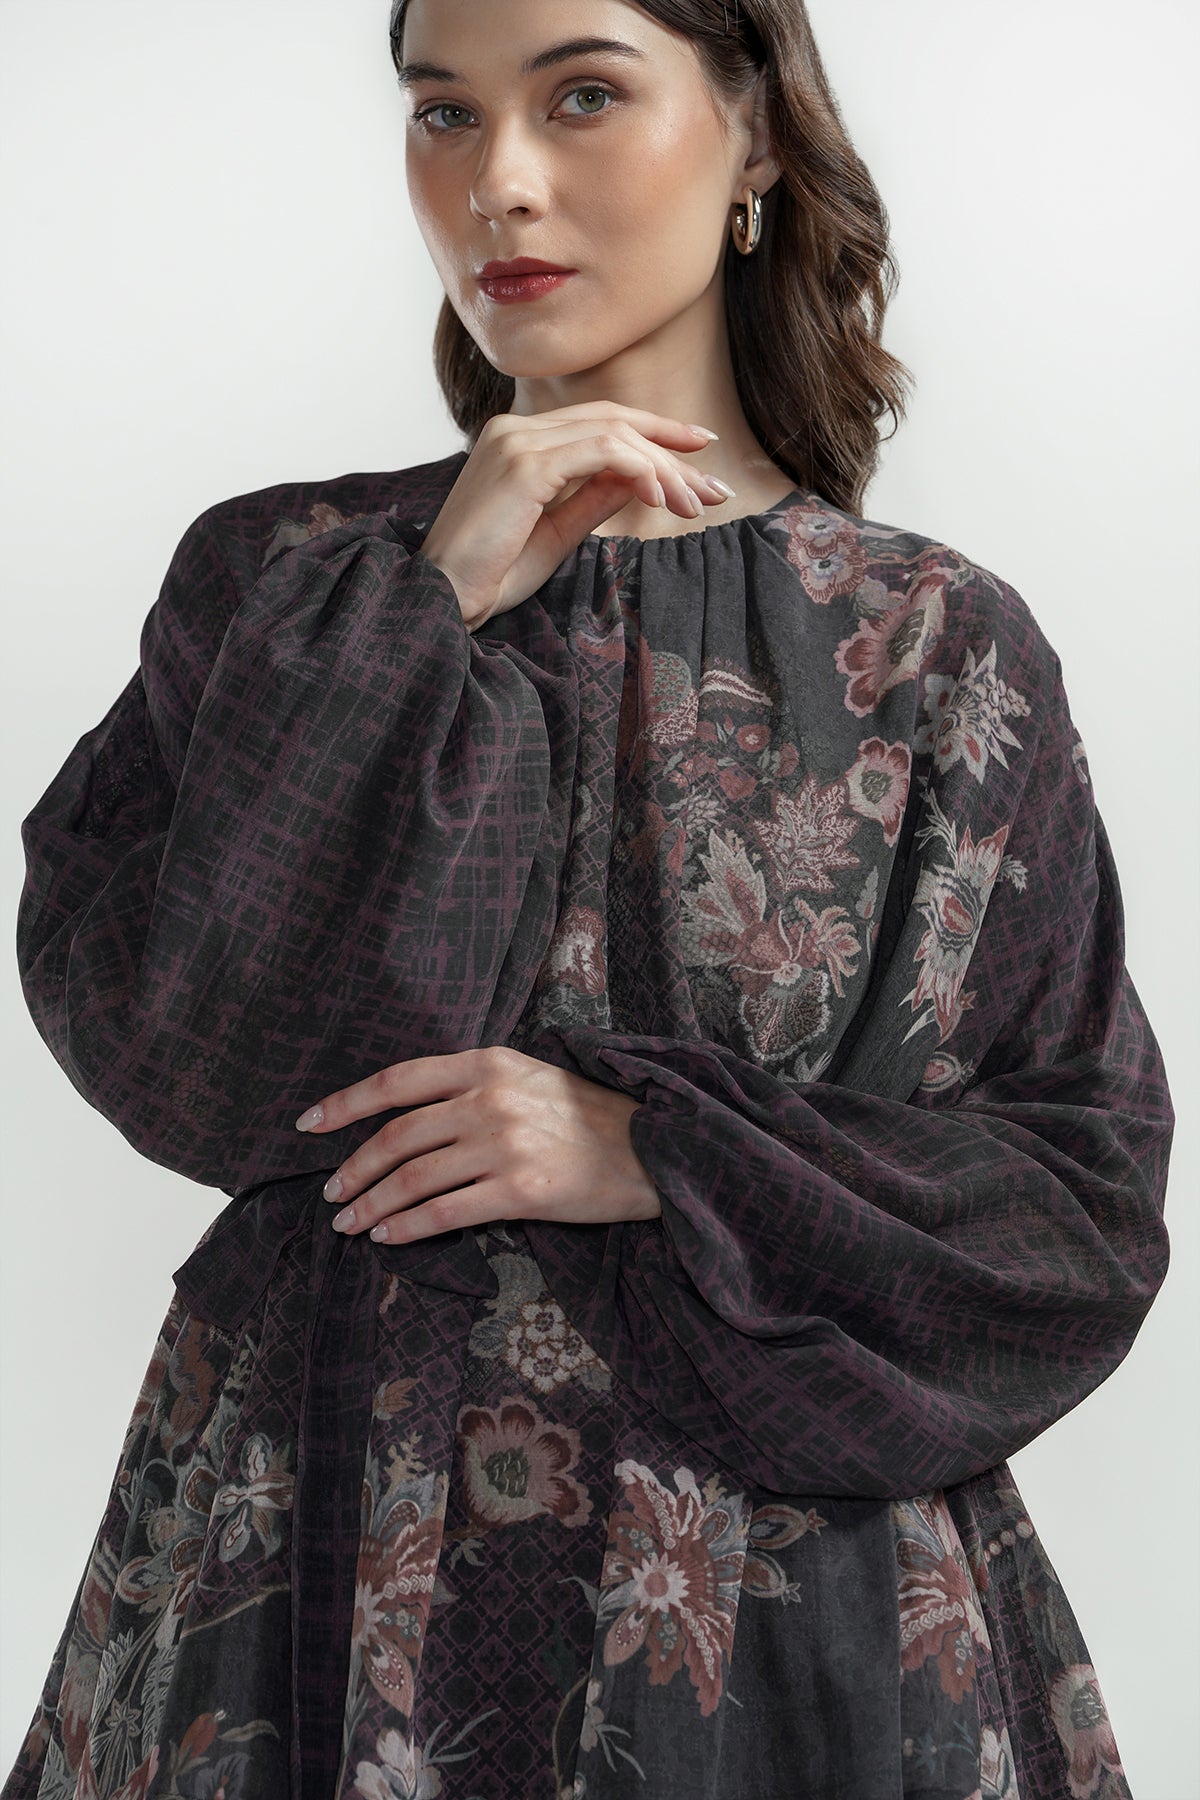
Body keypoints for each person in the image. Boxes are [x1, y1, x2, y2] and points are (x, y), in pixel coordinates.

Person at [1, 0, 1174, 1795]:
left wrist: (655, 1149)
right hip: (312, 1552)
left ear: (756, 137)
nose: (501, 182)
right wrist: (427, 604)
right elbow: (189, 1062)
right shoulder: (284, 583)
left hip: (779, 1613)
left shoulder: (931, 646)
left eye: (582, 96)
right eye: (444, 115)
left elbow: (1073, 1212)